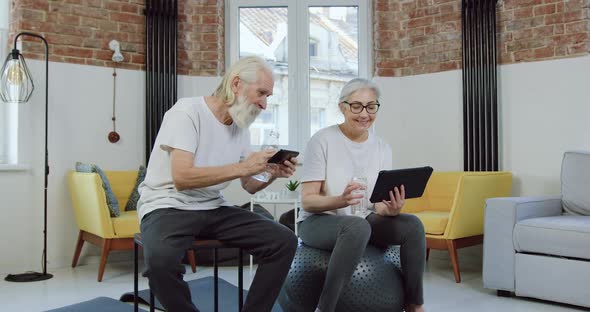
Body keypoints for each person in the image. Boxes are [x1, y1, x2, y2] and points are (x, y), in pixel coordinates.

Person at [137, 56, 298, 312]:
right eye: (261, 93)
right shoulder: (187, 111)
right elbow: (182, 178)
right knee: (160, 263)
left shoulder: (241, 126)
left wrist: (271, 173)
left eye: (268, 96)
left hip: (213, 207)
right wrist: (245, 167)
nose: (265, 104)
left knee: (284, 241)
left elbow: (249, 185)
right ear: (236, 84)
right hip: (168, 205)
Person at [299, 78, 426, 312]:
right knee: (357, 227)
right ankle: (324, 309)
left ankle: (414, 304)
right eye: (356, 106)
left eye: (371, 106)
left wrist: (391, 209)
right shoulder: (322, 140)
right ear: (342, 107)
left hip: (362, 221)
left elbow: (376, 205)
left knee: (412, 225)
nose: (364, 114)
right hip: (318, 221)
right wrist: (340, 200)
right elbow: (307, 200)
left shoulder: (382, 147)